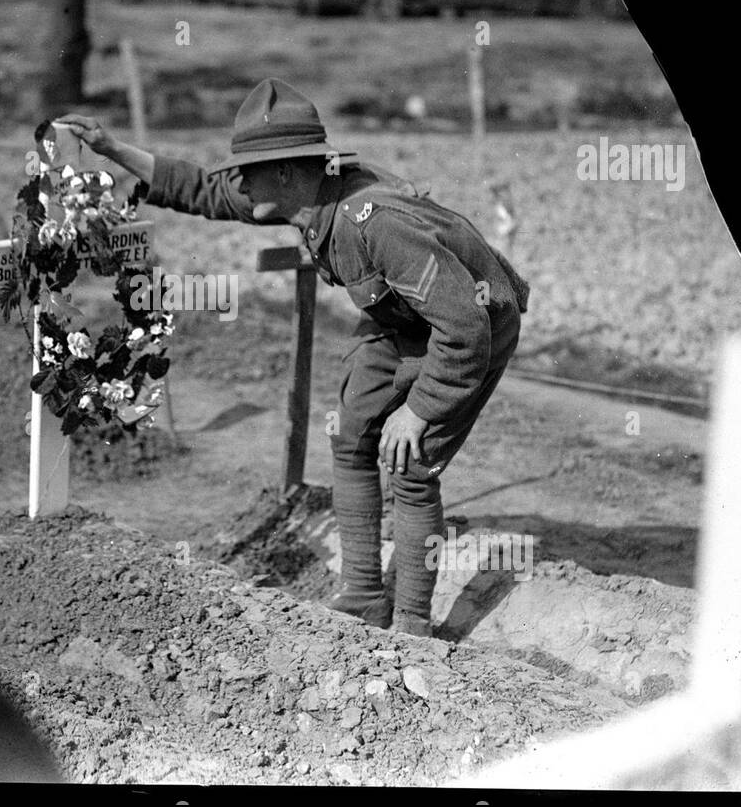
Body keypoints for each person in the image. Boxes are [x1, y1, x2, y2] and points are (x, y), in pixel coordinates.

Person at [57, 78, 529, 637]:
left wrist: (420, 409)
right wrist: (115, 149)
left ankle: (411, 625)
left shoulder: (374, 221)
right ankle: (363, 596)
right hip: (402, 319)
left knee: (409, 457)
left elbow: (463, 325)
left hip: (471, 326)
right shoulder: (304, 194)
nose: (237, 180)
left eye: (246, 169)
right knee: (352, 436)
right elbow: (207, 192)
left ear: (283, 170)